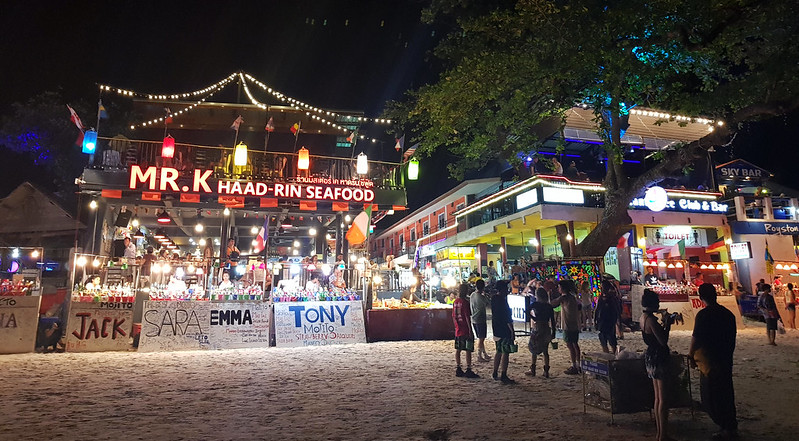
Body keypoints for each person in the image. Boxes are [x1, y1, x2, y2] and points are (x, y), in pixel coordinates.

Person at [689, 283, 738, 440]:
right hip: (725, 358)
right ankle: (729, 426)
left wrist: (690, 354)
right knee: (726, 393)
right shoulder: (728, 314)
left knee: (712, 396)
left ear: (701, 297)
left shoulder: (703, 316)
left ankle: (724, 426)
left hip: (710, 360)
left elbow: (696, 338)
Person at [640, 289, 673, 441]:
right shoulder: (651, 320)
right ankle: (663, 434)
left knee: (657, 398)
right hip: (658, 357)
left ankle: (660, 434)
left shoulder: (643, 317)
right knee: (663, 398)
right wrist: (668, 324)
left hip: (650, 356)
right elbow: (663, 340)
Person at [551, 279, 581, 374]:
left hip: (568, 325)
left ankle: (574, 365)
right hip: (575, 324)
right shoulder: (573, 297)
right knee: (575, 344)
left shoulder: (564, 298)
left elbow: (553, 303)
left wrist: (548, 293)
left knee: (570, 345)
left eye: (559, 287)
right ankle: (578, 364)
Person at [526, 288, 556, 378]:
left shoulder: (536, 304)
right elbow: (553, 321)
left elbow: (526, 310)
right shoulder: (549, 306)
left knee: (534, 348)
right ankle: (546, 371)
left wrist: (533, 318)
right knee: (545, 350)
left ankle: (533, 369)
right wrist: (553, 331)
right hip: (546, 327)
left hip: (538, 326)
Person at [491, 280, 516, 384]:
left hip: (496, 328)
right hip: (504, 329)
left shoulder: (493, 299)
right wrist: (512, 331)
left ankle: (495, 372)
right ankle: (504, 374)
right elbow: (507, 317)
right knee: (506, 352)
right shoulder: (502, 300)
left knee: (498, 350)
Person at [453, 283, 480, 378]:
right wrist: (470, 330)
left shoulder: (455, 301)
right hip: (465, 328)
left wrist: (456, 326)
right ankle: (468, 368)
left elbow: (454, 316)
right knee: (468, 349)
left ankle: (458, 367)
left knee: (458, 349)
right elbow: (467, 317)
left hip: (458, 328)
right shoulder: (465, 302)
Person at [595, 280, 620, 354]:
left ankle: (613, 354)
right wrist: (596, 319)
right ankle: (606, 354)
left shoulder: (612, 297)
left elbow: (615, 310)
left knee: (611, 338)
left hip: (609, 320)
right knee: (603, 339)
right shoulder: (601, 297)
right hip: (602, 320)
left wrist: (615, 320)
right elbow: (598, 309)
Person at [469, 279, 491, 362]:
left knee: (480, 337)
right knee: (481, 338)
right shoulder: (482, 297)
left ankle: (484, 353)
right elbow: (489, 302)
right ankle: (479, 355)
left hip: (474, 319)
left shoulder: (472, 295)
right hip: (481, 319)